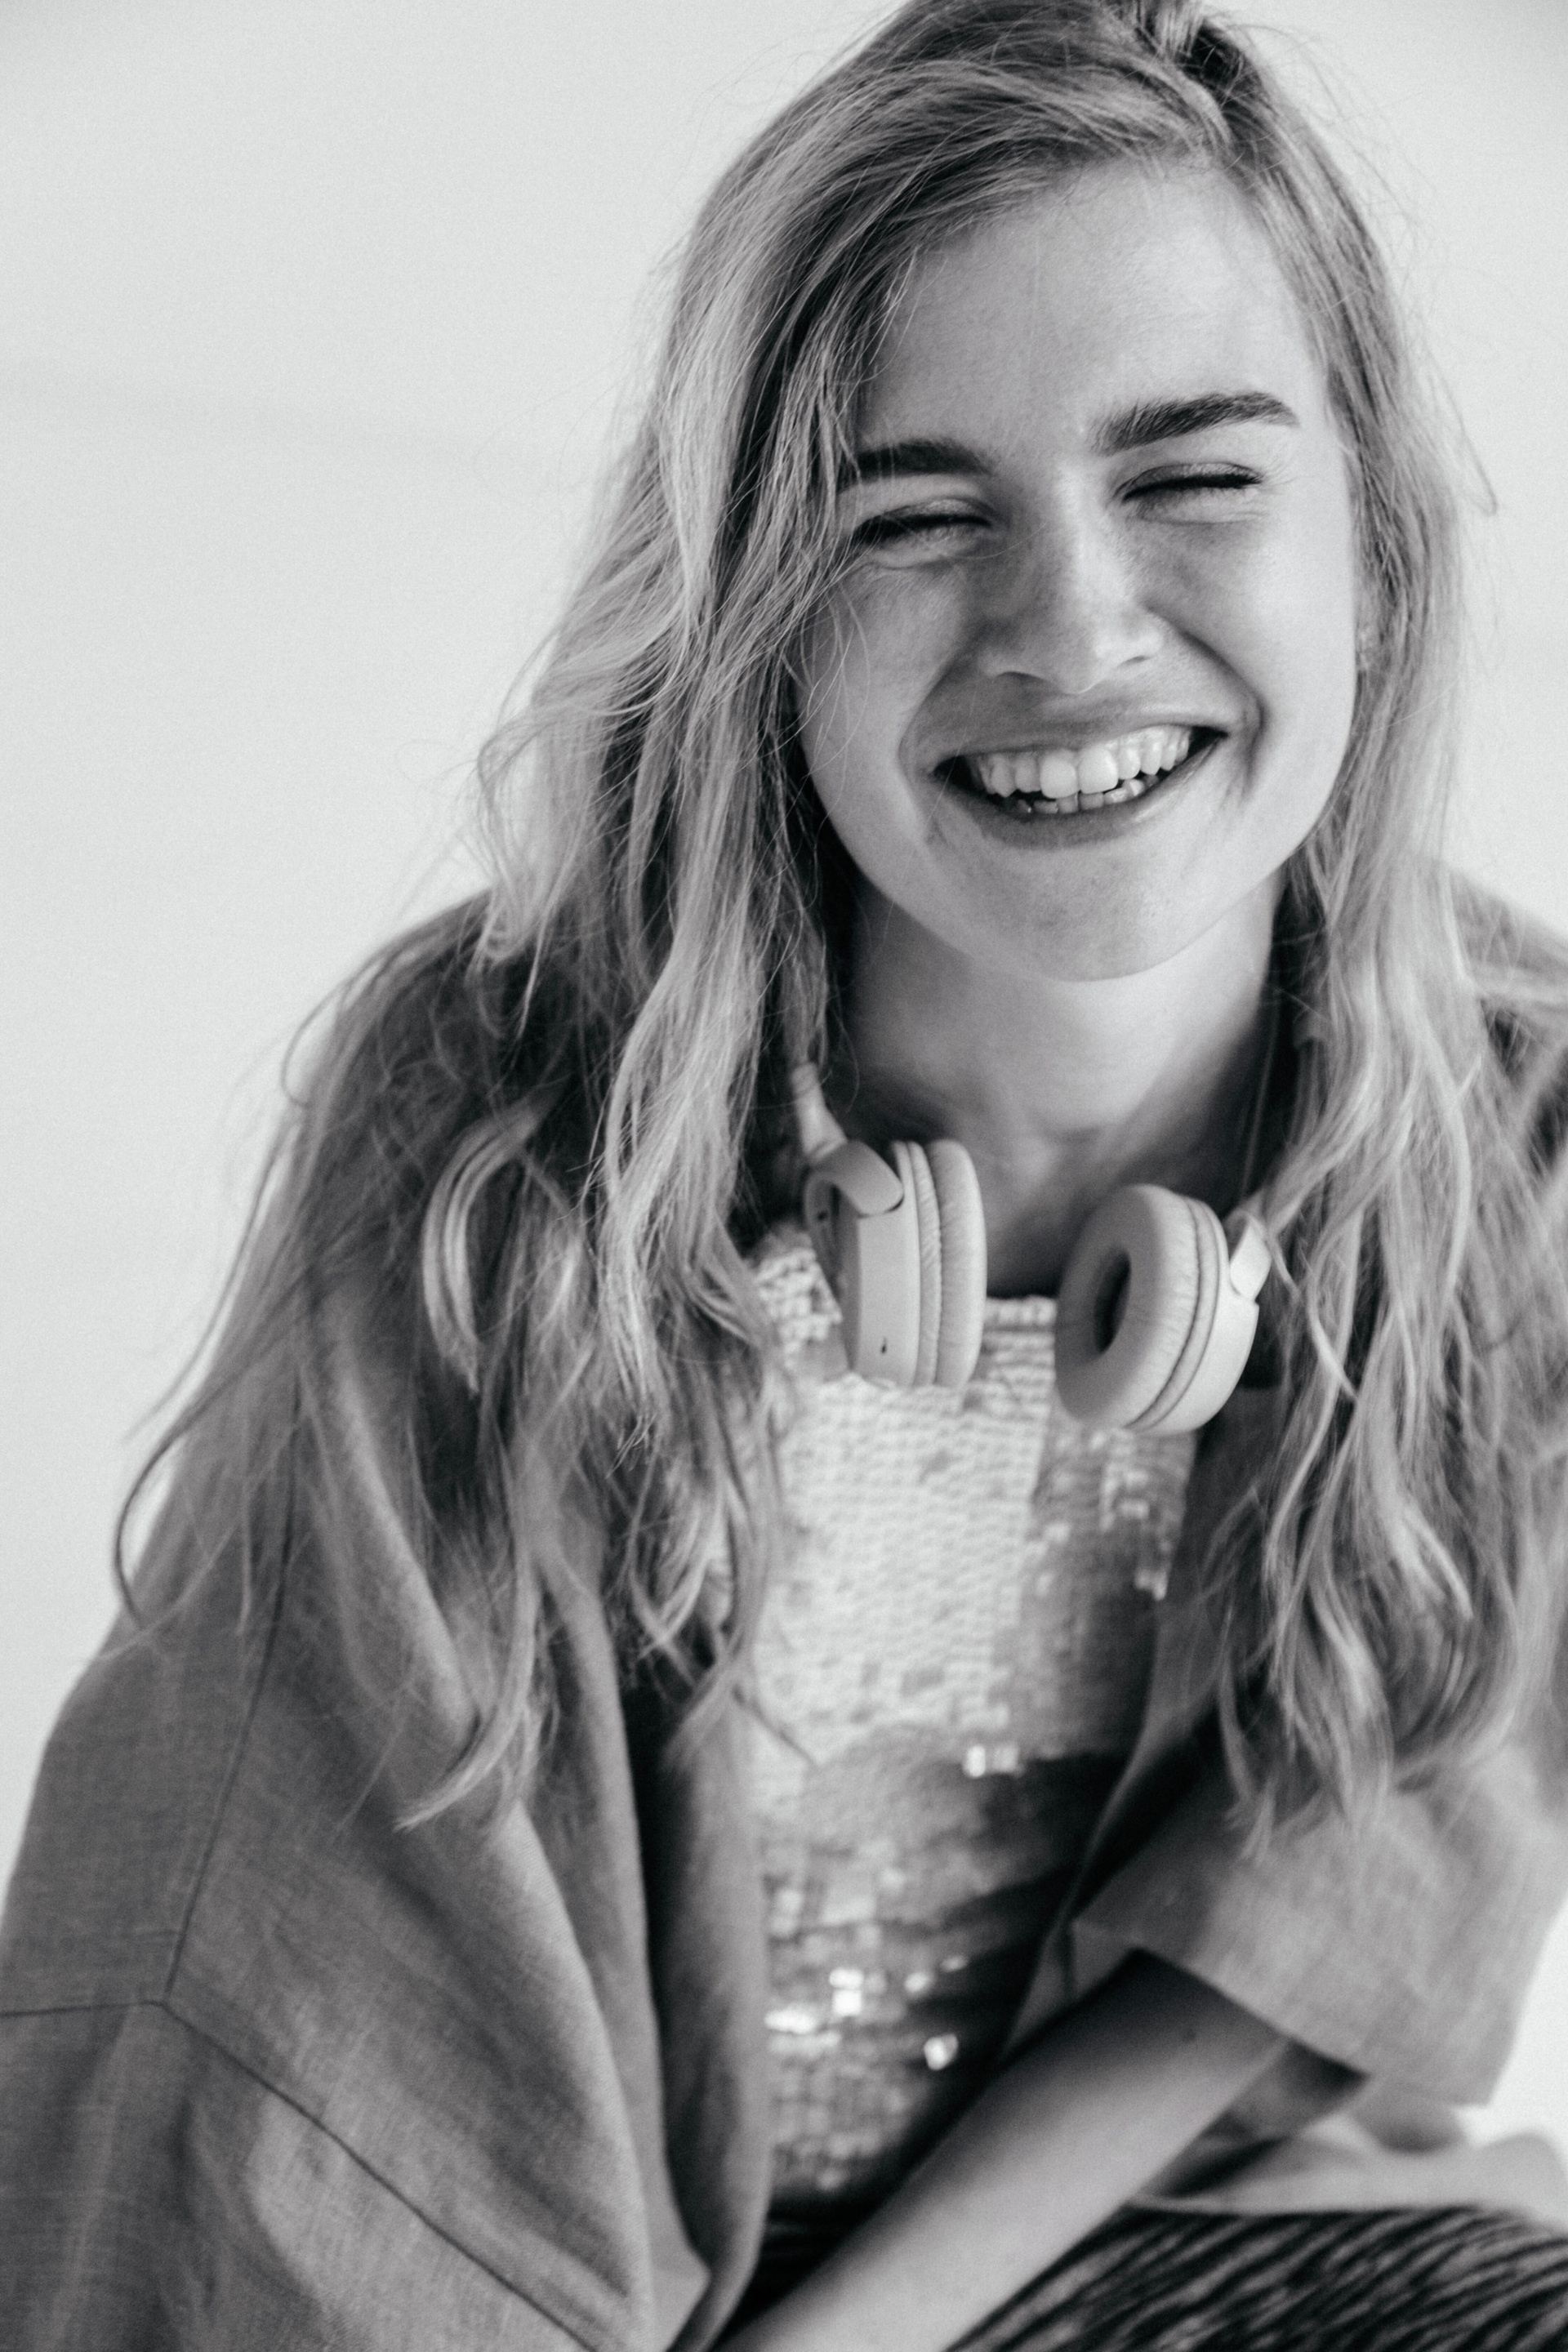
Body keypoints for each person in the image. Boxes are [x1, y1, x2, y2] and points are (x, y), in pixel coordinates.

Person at [5, 2, 1568, 2345]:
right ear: (757, 623)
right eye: (910, 517)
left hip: (1133, 2258)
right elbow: (309, 2031)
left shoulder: (1524, 1127)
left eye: (1194, 477)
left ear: (1381, 539)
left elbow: (1328, 1907)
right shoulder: (501, 1127)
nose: (1072, 627)